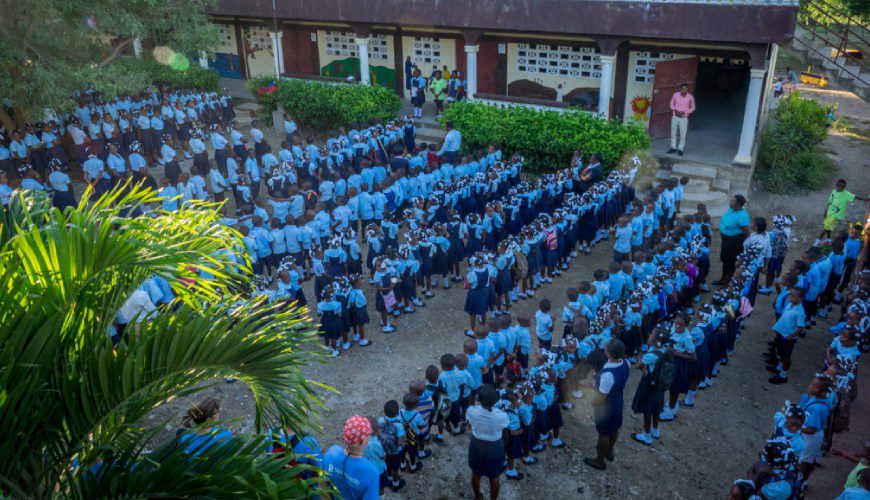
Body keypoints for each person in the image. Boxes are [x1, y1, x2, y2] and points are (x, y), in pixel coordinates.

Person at [585, 339, 630, 470]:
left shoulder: (608, 375)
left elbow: (602, 396)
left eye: (605, 348)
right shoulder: (626, 363)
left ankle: (599, 461)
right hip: (618, 401)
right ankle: (609, 452)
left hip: (606, 406)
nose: (604, 348)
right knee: (614, 428)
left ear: (609, 353)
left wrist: (593, 403)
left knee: (603, 433)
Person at [467, 384, 509, 500]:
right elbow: (505, 429)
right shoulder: (501, 416)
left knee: (476, 474)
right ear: (495, 401)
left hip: (477, 446)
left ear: (479, 399)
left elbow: (470, 423)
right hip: (495, 448)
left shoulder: (472, 412)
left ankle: (477, 497)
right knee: (494, 477)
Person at [322, 415, 380, 500]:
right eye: (369, 434)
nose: (370, 436)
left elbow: (322, 485)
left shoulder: (332, 452)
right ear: (363, 440)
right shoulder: (371, 472)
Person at [715, 195, 751, 285]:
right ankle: (723, 278)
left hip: (734, 241)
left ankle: (729, 281)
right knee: (724, 258)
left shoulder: (742, 216)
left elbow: (746, 232)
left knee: (731, 261)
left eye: (733, 201)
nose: (730, 201)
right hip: (726, 240)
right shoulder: (731, 210)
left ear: (738, 204)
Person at [667, 83, 695, 156]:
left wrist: (685, 112)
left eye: (685, 89)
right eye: (683, 89)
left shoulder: (690, 97)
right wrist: (674, 110)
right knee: (673, 132)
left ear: (687, 90)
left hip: (684, 118)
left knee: (683, 134)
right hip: (675, 116)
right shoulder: (675, 95)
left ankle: (681, 149)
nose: (684, 90)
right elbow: (671, 104)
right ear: (680, 89)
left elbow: (692, 108)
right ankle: (673, 147)